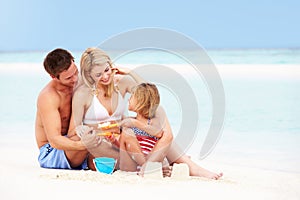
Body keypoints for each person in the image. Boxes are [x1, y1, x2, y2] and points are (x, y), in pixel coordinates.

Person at [69, 47, 222, 179]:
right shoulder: (83, 94)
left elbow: (149, 95)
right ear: (89, 75)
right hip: (104, 144)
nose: (105, 76)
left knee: (158, 111)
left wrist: (130, 72)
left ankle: (170, 165)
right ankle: (156, 164)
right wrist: (105, 128)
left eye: (107, 70)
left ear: (111, 65)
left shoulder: (122, 82)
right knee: (134, 135)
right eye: (98, 75)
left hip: (129, 139)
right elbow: (75, 130)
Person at [35, 48, 98, 170]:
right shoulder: (49, 97)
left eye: (75, 72)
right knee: (87, 135)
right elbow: (54, 140)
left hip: (76, 141)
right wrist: (81, 145)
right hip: (53, 152)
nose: (75, 79)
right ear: (53, 77)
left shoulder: (78, 81)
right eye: (69, 78)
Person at [119, 83, 170, 175]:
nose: (128, 99)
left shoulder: (152, 121)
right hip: (131, 165)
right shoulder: (129, 121)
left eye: (131, 97)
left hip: (148, 159)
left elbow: (158, 133)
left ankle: (147, 167)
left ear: (141, 101)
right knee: (126, 132)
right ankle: (147, 167)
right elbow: (124, 144)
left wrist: (136, 123)